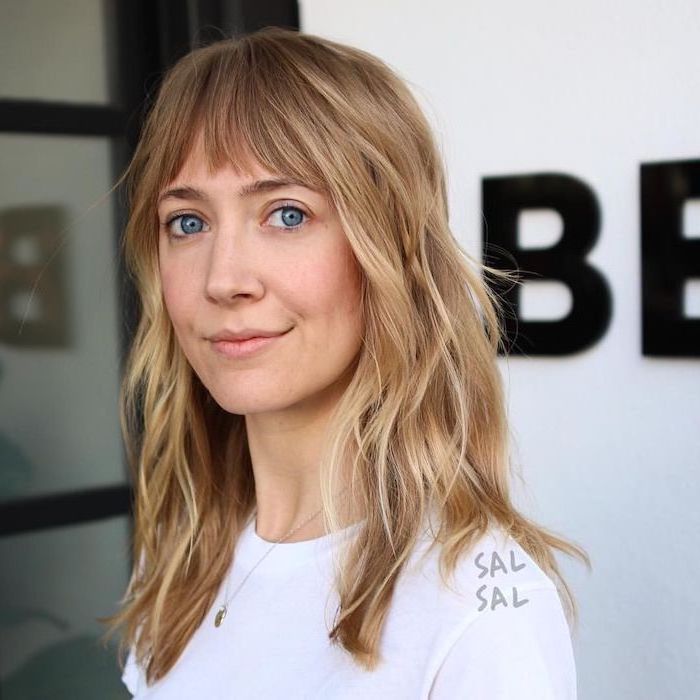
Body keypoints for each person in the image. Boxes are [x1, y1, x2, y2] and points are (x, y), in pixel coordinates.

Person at [102, 26, 590, 698]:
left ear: (387, 250)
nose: (224, 278)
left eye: (287, 214)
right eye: (188, 222)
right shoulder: (183, 553)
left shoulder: (477, 609)